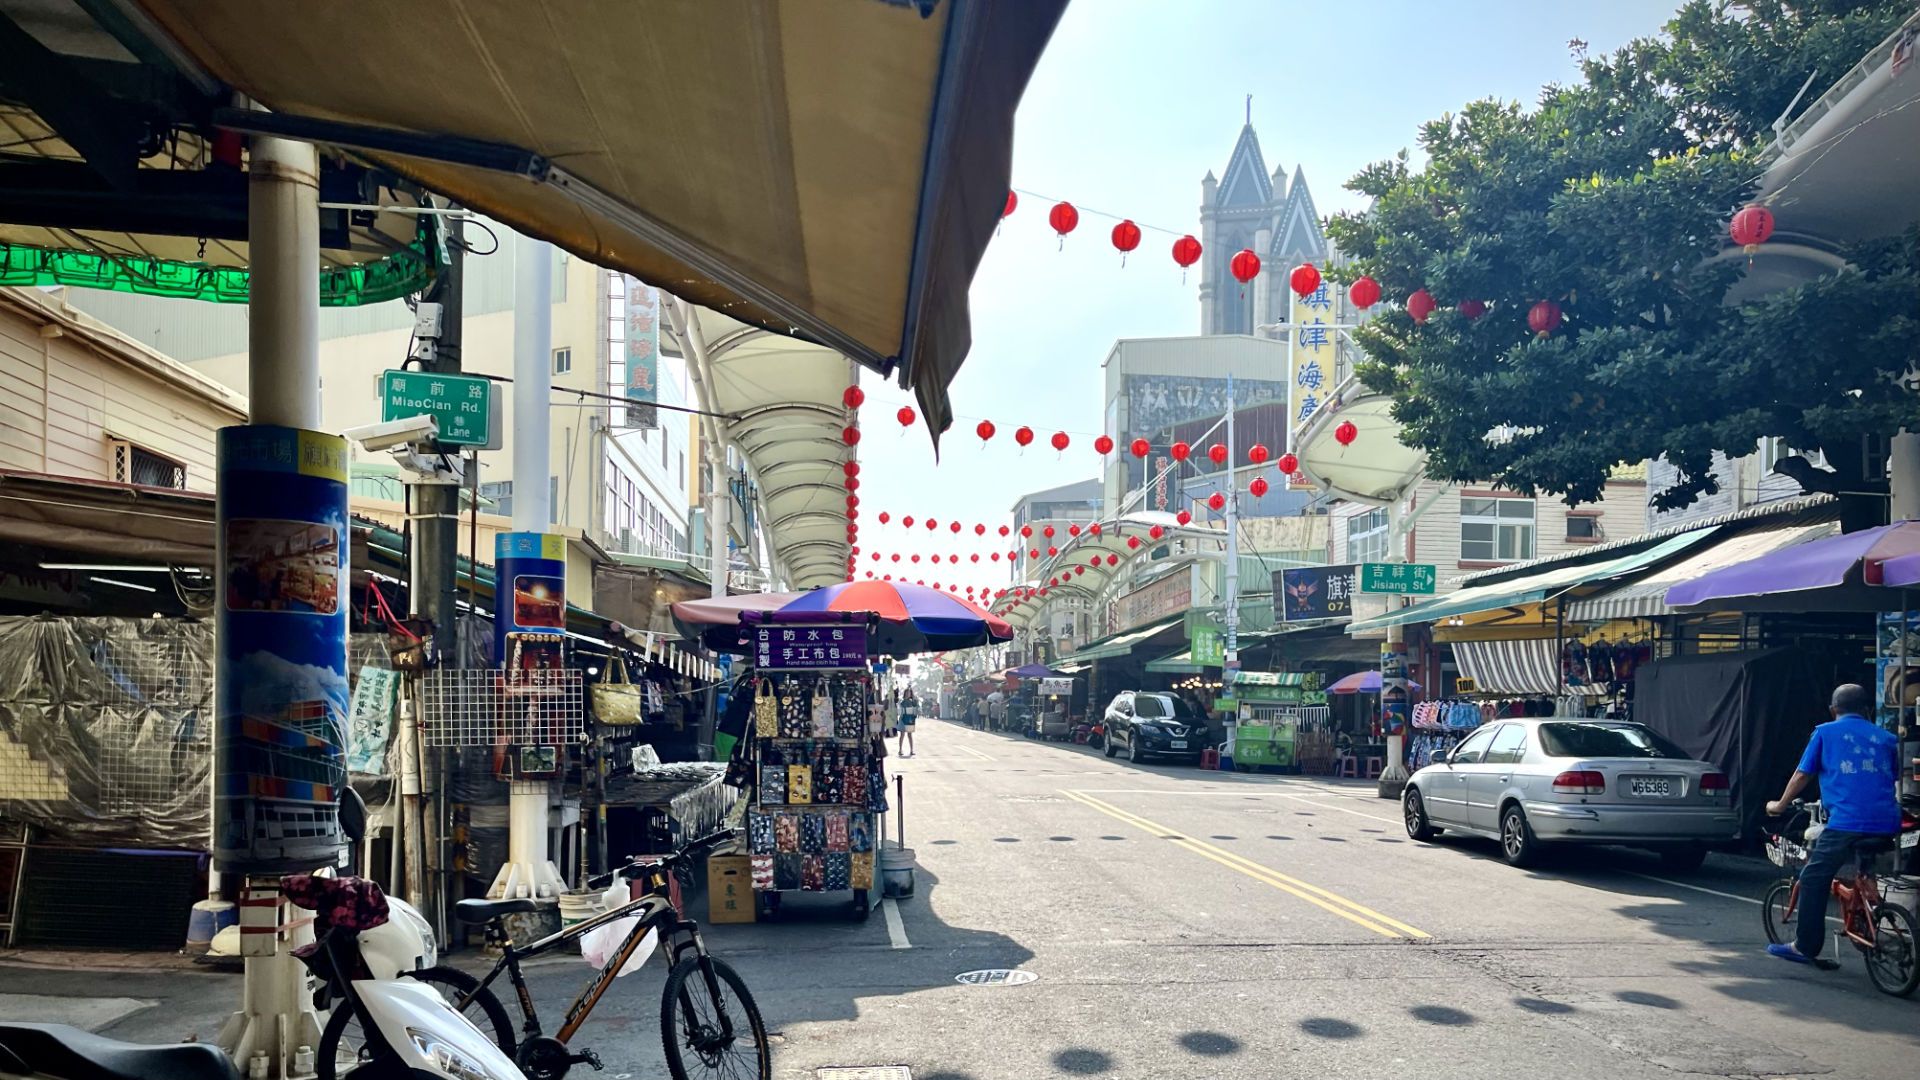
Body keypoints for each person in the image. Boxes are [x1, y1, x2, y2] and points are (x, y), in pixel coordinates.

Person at [1764, 683, 1901, 968]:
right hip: (1888, 821)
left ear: (1833, 709)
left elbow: (1803, 774)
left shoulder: (1825, 732)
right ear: (1868, 710)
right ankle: (1871, 912)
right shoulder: (1887, 739)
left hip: (1846, 822)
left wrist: (1779, 804)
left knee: (1813, 878)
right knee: (1864, 868)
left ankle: (1805, 946)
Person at [897, 687, 918, 757]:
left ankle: (911, 750)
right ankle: (900, 750)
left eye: (909, 692)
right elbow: (901, 709)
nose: (908, 694)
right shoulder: (903, 702)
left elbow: (916, 708)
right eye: (907, 692)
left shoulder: (913, 702)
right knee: (902, 735)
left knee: (910, 735)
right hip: (903, 719)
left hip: (910, 720)